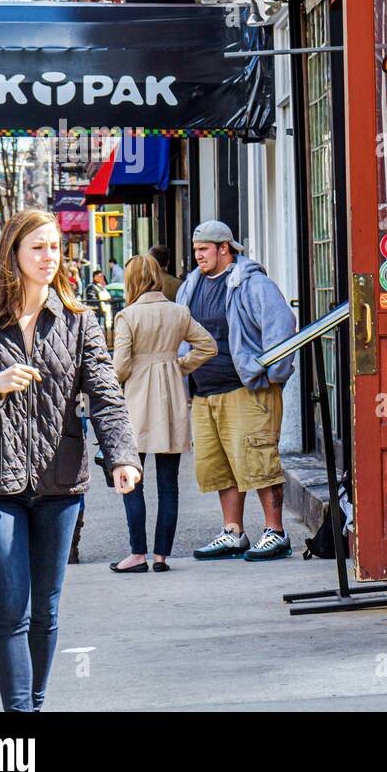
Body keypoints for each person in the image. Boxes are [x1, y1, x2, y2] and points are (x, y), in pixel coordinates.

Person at [0, 209, 140, 712]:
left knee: (45, 611)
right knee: (12, 610)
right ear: (14, 255)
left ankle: (35, 706)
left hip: (60, 483)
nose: (50, 257)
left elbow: (106, 397)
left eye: (54, 247)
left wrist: (122, 457)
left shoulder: (79, 321)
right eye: (38, 248)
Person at [178, 220, 297, 561]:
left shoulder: (253, 283)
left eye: (204, 249)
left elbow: (280, 326)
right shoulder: (191, 285)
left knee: (258, 462)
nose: (198, 255)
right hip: (205, 392)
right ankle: (233, 532)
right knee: (220, 466)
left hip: (245, 389)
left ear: (224, 249)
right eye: (196, 249)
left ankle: (275, 531)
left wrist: (273, 374)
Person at [109, 254, 216, 573]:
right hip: (170, 400)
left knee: (131, 480)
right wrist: (177, 365)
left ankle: (137, 554)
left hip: (136, 405)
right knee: (169, 483)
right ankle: (161, 556)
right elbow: (208, 346)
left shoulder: (127, 316)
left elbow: (120, 367)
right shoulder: (178, 312)